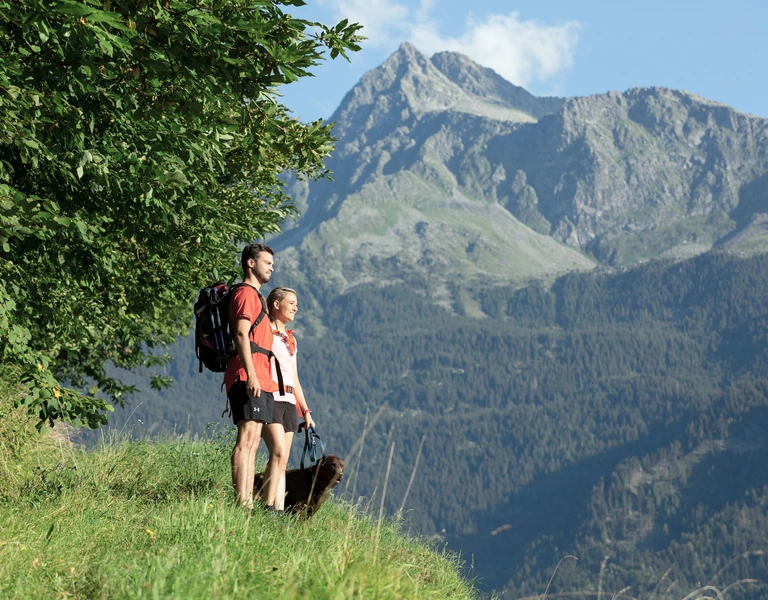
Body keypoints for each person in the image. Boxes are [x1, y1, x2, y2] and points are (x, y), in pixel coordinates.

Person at [225, 243, 280, 508]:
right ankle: (242, 504)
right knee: (246, 441)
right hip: (249, 375)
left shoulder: (257, 296)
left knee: (253, 442)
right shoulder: (246, 293)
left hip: (260, 376)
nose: (272, 267)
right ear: (250, 263)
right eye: (267, 262)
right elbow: (240, 334)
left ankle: (246, 502)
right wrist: (251, 374)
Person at [261, 287, 315, 511]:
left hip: (289, 402)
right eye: (291, 302)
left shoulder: (290, 340)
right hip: (270, 397)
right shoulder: (265, 333)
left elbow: (295, 379)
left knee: (282, 459)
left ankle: (278, 509)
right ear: (276, 304)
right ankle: (266, 507)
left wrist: (307, 411)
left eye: (296, 303)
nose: (296, 307)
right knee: (278, 452)